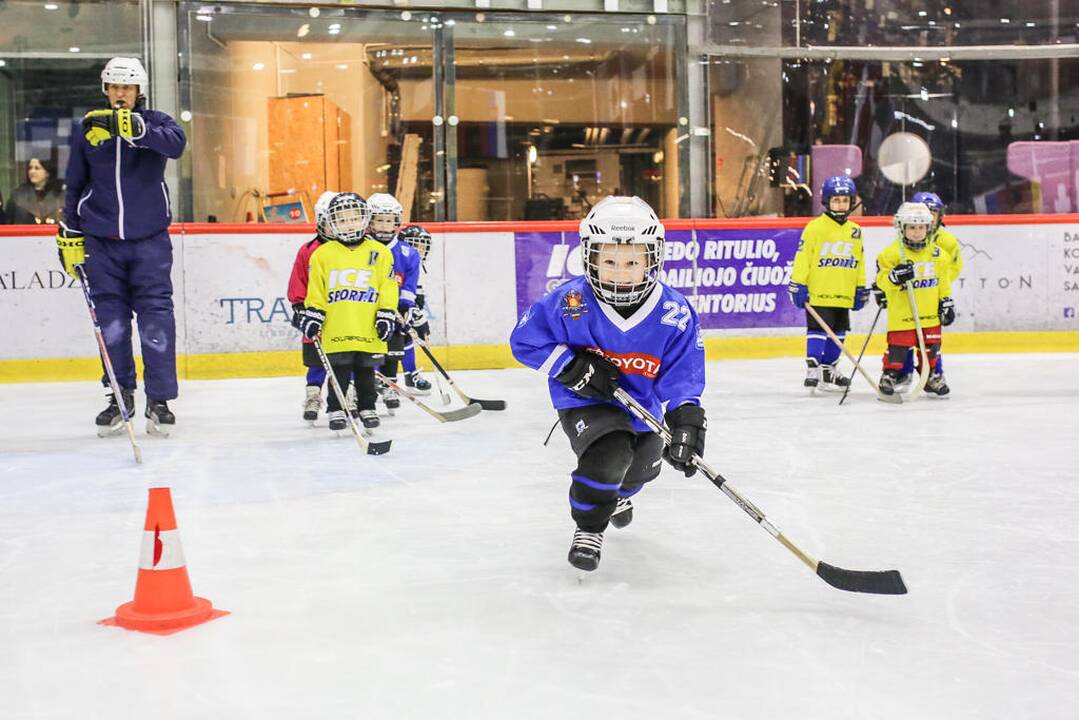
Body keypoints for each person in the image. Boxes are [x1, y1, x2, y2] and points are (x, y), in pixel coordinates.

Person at [510, 195, 706, 572]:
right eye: (610, 261)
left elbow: (683, 375)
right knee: (609, 456)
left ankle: (620, 495)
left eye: (632, 262)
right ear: (590, 258)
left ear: (652, 259)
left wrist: (686, 419)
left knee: (641, 468)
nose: (620, 271)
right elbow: (525, 341)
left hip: (641, 408)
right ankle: (589, 529)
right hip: (584, 401)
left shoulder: (674, 311)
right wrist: (571, 366)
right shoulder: (569, 300)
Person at [54, 57, 187, 437]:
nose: (120, 94)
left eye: (126, 88)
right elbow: (74, 183)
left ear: (139, 91)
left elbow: (176, 145)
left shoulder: (158, 121)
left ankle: (159, 401)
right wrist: (69, 230)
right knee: (110, 324)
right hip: (101, 242)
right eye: (113, 87)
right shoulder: (89, 129)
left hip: (150, 242)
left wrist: (137, 129)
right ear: (105, 89)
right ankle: (120, 396)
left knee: (156, 320)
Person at [297, 193, 398, 432]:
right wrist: (314, 313)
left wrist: (386, 312)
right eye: (341, 220)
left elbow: (387, 285)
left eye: (353, 219)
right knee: (339, 372)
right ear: (331, 224)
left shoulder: (380, 252)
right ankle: (336, 408)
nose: (348, 224)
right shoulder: (322, 254)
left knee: (366, 371)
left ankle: (367, 407)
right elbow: (317, 289)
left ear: (365, 219)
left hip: (368, 326)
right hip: (337, 325)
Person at [788, 175, 868, 392]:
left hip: (843, 293)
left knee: (839, 334)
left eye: (844, 200)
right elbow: (803, 258)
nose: (840, 204)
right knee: (817, 331)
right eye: (836, 200)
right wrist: (798, 283)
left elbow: (859, 261)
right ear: (826, 201)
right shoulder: (815, 228)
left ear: (851, 202)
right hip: (820, 292)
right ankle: (812, 369)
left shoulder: (855, 231)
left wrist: (860, 287)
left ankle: (828, 370)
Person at [875, 202, 954, 397]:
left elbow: (943, 283)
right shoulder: (891, 254)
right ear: (902, 228)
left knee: (932, 349)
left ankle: (932, 377)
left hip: (929, 314)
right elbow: (881, 281)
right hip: (903, 313)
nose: (917, 232)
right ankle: (890, 374)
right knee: (898, 349)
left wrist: (946, 302)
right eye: (912, 227)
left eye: (921, 227)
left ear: (929, 227)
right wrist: (893, 277)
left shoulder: (939, 255)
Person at [893, 191, 963, 389]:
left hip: (930, 296)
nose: (930, 218)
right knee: (903, 336)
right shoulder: (901, 241)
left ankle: (934, 373)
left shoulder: (947, 242)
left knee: (932, 340)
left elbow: (953, 269)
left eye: (933, 213)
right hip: (906, 298)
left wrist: (937, 289)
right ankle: (901, 372)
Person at [365, 193, 420, 410]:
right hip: (367, 310)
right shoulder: (363, 248)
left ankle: (390, 386)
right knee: (368, 352)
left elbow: (410, 285)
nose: (384, 225)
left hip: (394, 310)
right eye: (379, 219)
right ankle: (365, 388)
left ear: (397, 222)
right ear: (369, 221)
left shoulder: (408, 252)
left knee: (393, 352)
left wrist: (405, 306)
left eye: (389, 220)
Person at [287, 191, 336, 423]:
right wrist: (299, 307)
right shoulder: (308, 251)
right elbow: (299, 282)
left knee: (347, 362)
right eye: (331, 222)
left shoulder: (358, 250)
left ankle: (349, 395)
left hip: (347, 319)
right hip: (317, 317)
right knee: (317, 363)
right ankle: (313, 396)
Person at [397, 224, 434, 394]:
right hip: (388, 308)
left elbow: (417, 297)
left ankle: (410, 375)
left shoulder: (417, 267)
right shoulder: (396, 260)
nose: (419, 250)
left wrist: (419, 316)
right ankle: (377, 376)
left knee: (407, 337)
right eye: (414, 245)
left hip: (404, 309)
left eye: (422, 246)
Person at [6, 157, 65, 225]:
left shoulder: (60, 196)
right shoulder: (18, 195)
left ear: (47, 173)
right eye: (30, 168)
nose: (32, 171)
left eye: (37, 168)